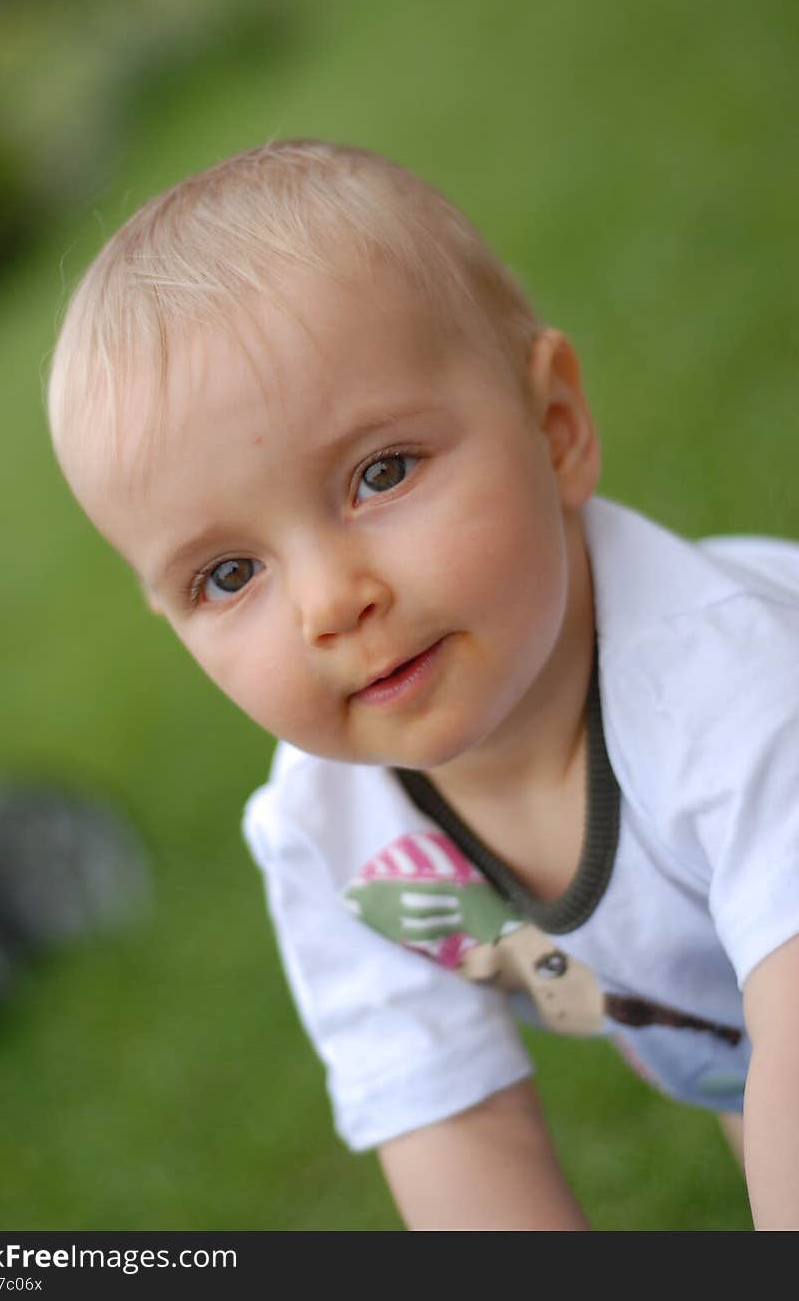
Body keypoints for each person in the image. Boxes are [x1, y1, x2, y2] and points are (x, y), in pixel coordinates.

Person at [46, 140, 799, 1230]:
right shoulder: (329, 838)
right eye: (226, 573)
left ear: (555, 430)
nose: (326, 601)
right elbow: (458, 1132)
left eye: (380, 472)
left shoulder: (730, 684)